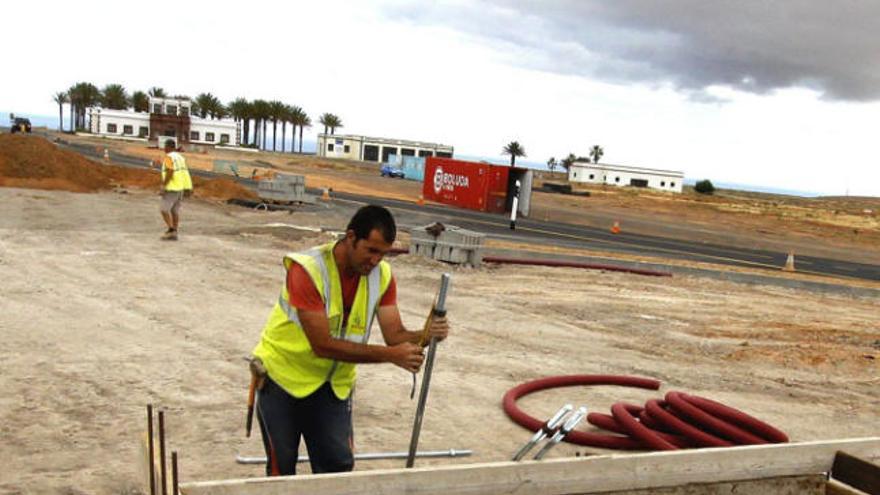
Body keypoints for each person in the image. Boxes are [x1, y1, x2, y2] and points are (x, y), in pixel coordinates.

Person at [251, 204, 450, 476]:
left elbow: (395, 336)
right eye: (371, 250)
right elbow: (322, 344)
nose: (376, 260)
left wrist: (426, 334)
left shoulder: (381, 276)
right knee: (281, 469)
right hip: (282, 380)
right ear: (351, 237)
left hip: (333, 387)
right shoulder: (308, 270)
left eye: (383, 254)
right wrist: (390, 356)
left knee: (338, 467)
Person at [159, 139, 192, 240]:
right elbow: (185, 172)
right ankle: (175, 232)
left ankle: (171, 230)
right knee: (174, 210)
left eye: (165, 146)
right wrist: (188, 187)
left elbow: (170, 171)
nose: (164, 148)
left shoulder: (169, 157)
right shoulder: (180, 157)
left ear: (168, 147)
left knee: (164, 209)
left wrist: (164, 185)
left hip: (172, 187)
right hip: (180, 187)